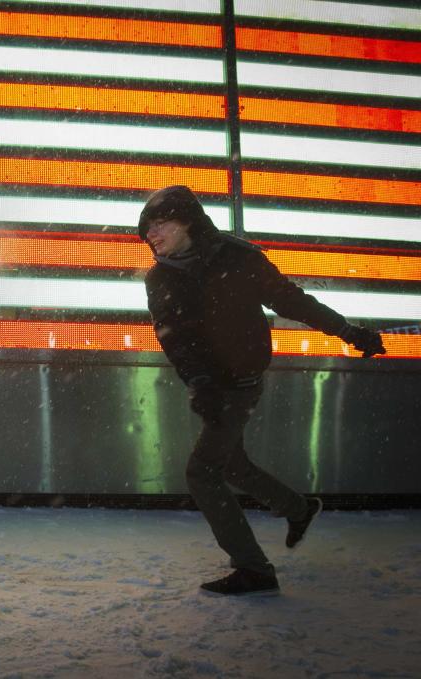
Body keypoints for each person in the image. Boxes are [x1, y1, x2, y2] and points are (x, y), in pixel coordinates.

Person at [138, 185, 385, 596]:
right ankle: (299, 508)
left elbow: (292, 301)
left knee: (202, 472)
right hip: (212, 387)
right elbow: (174, 337)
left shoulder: (238, 258)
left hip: (241, 382)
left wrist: (347, 330)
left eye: (160, 223)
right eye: (147, 228)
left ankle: (255, 570)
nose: (152, 234)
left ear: (188, 221)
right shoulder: (161, 276)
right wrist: (199, 382)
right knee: (230, 464)